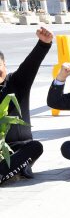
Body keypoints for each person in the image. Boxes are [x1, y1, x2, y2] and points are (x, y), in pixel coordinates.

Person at [0, 27, 53, 184]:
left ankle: (7, 170)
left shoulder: (17, 82)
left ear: (4, 66)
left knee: (36, 146)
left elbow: (31, 64)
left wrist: (43, 44)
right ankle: (20, 169)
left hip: (21, 148)